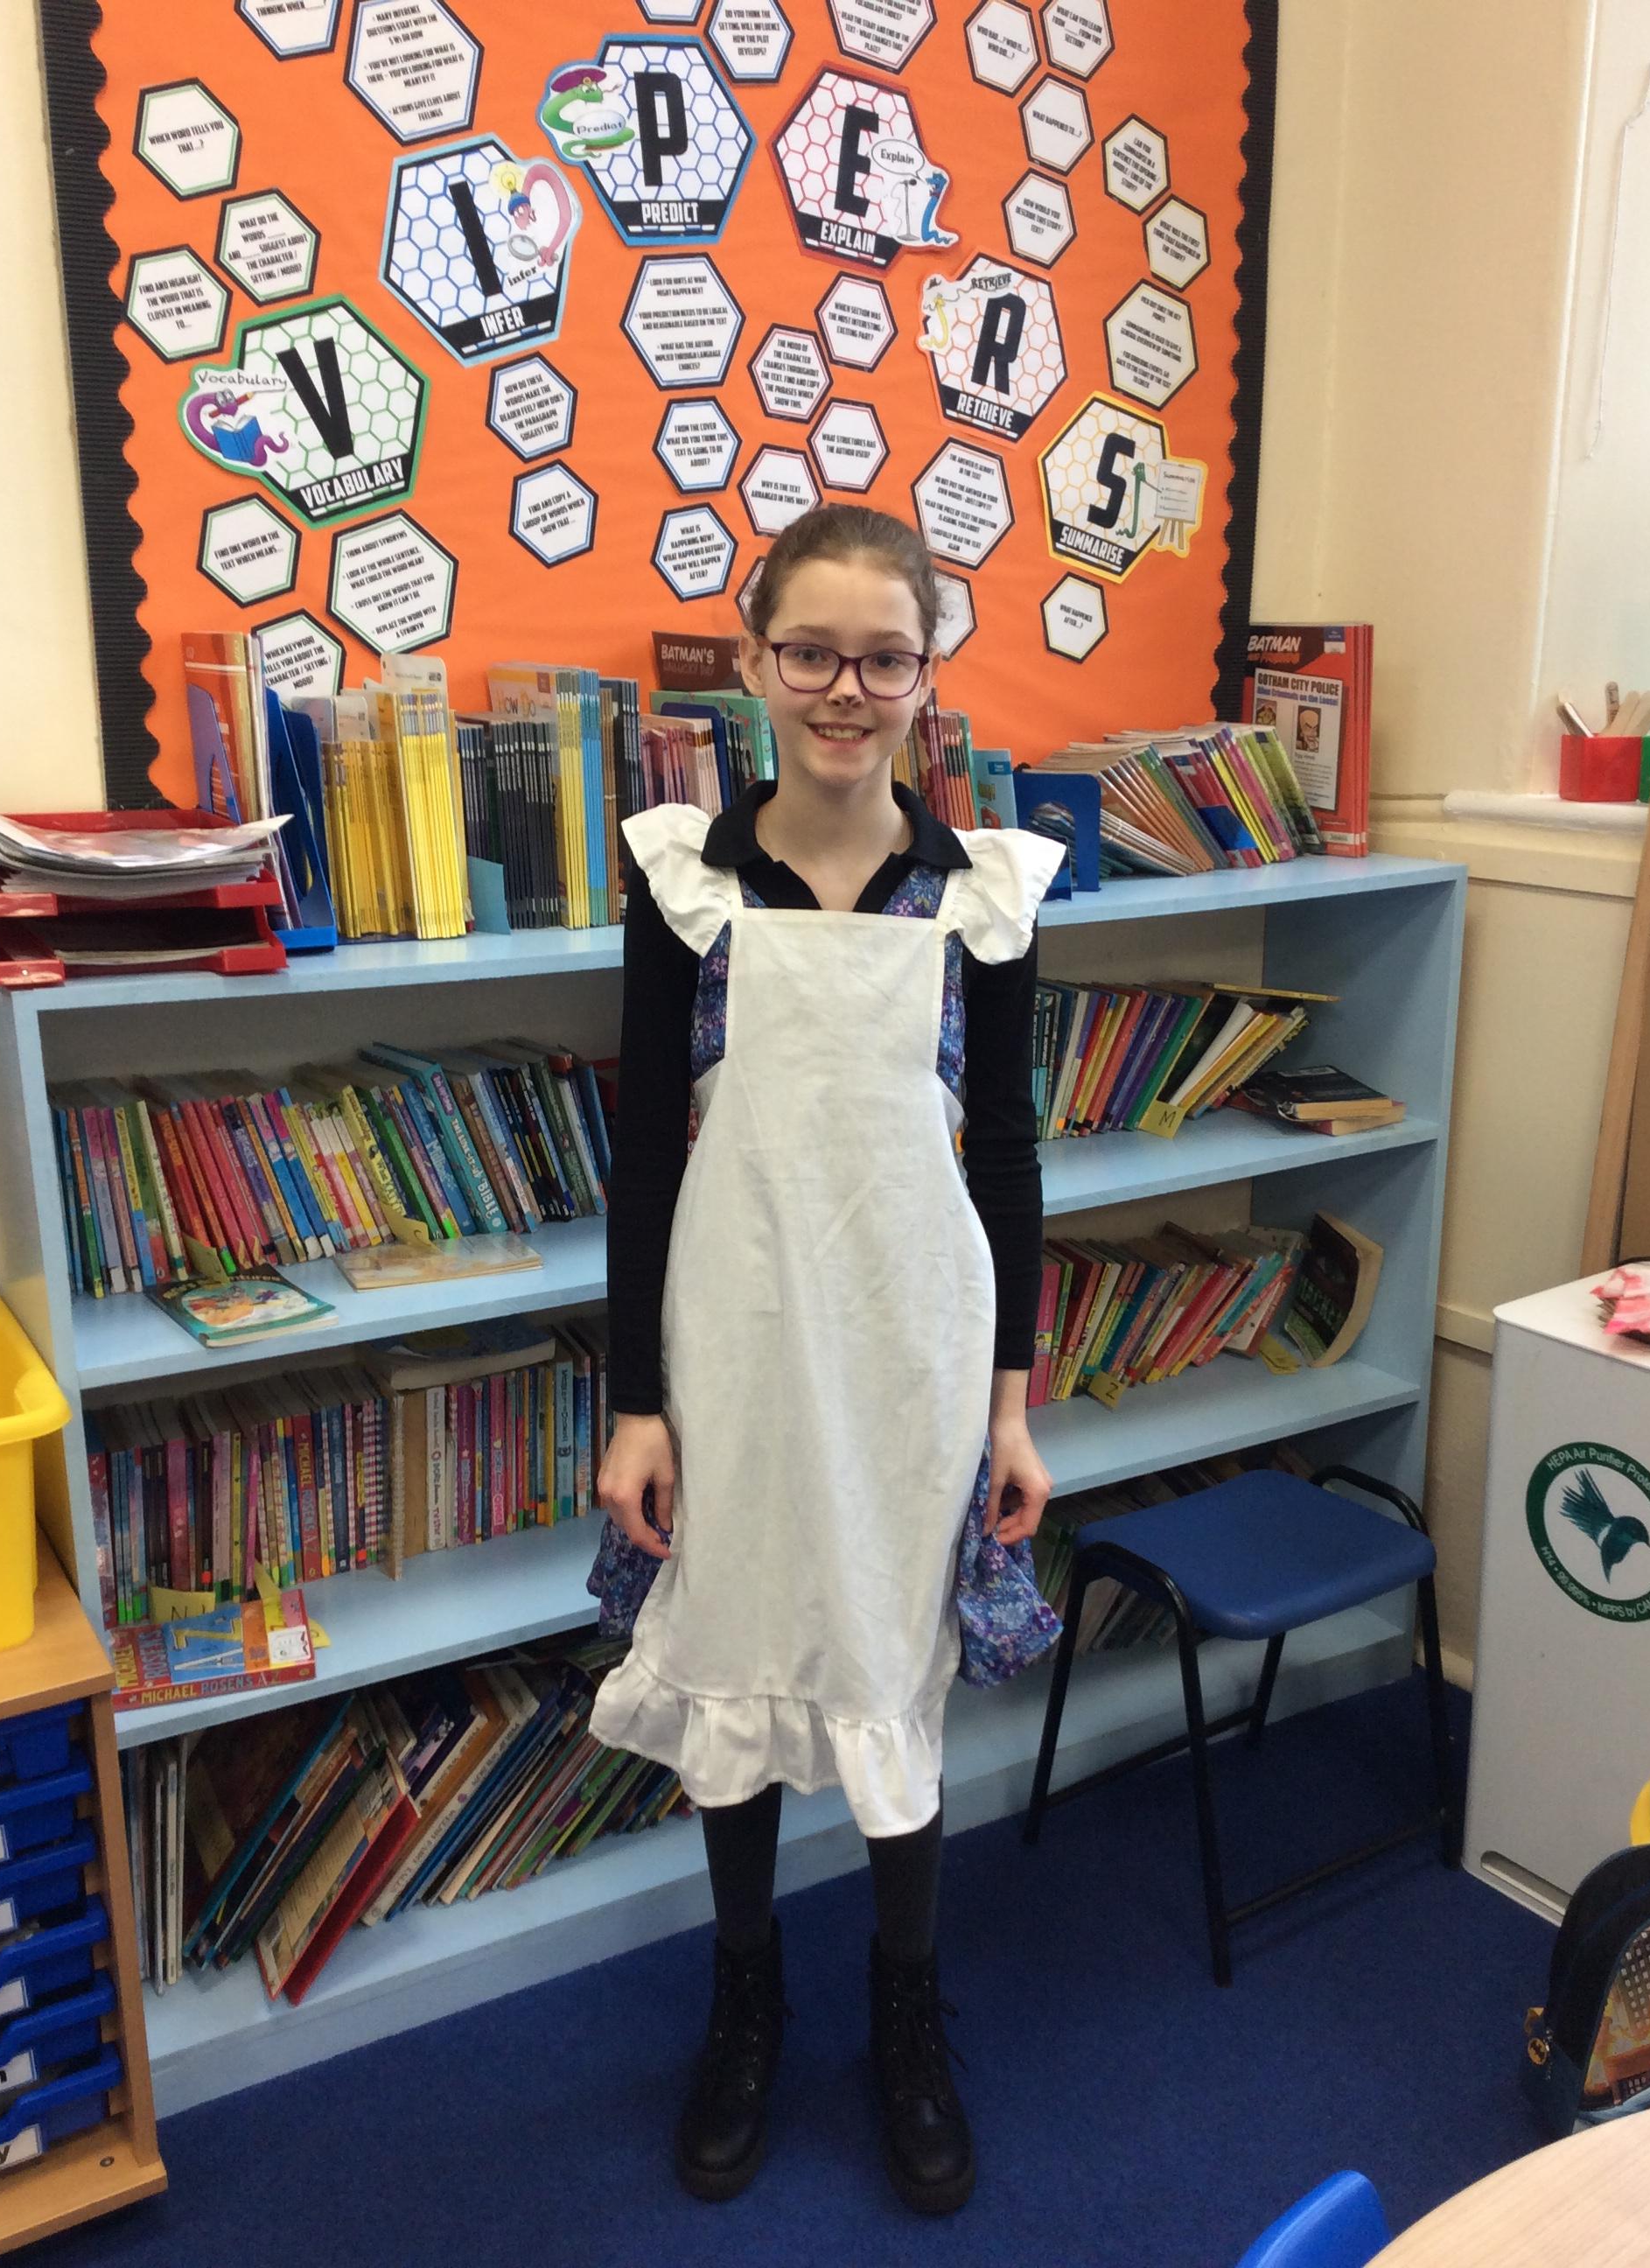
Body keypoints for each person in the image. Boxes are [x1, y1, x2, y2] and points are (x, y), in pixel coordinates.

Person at [588, 503, 1063, 2216]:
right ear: (754, 661)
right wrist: (636, 1404)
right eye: (812, 653)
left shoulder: (979, 894)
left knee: (883, 1662)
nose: (846, 689)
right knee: (737, 1646)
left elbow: (1005, 1157)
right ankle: (747, 1997)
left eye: (884, 657)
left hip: (913, 1357)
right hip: (731, 1346)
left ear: (928, 674)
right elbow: (647, 1159)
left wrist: (1011, 1409)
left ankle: (904, 2011)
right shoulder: (687, 881)